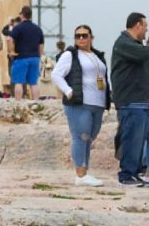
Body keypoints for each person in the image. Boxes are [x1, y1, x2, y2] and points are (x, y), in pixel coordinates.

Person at [52, 25, 111, 187]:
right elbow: (56, 74)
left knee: (89, 138)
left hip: (97, 104)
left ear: (91, 37)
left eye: (84, 36)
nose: (81, 39)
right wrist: (68, 91)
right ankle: (80, 174)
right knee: (81, 136)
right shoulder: (70, 54)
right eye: (77, 36)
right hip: (80, 103)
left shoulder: (97, 56)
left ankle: (85, 171)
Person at [110, 12, 149, 186]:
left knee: (140, 140)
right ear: (137, 25)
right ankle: (126, 175)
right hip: (131, 101)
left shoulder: (136, 45)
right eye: (145, 26)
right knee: (132, 138)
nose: (146, 30)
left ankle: (136, 172)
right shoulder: (124, 43)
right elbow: (142, 55)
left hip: (141, 100)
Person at [8, 6, 45, 100]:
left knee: (18, 82)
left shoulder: (18, 28)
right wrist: (40, 56)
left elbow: (9, 39)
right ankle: (36, 102)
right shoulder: (38, 29)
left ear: (22, 15)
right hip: (35, 58)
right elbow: (41, 45)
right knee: (33, 83)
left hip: (21, 58)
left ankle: (18, 103)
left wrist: (11, 51)